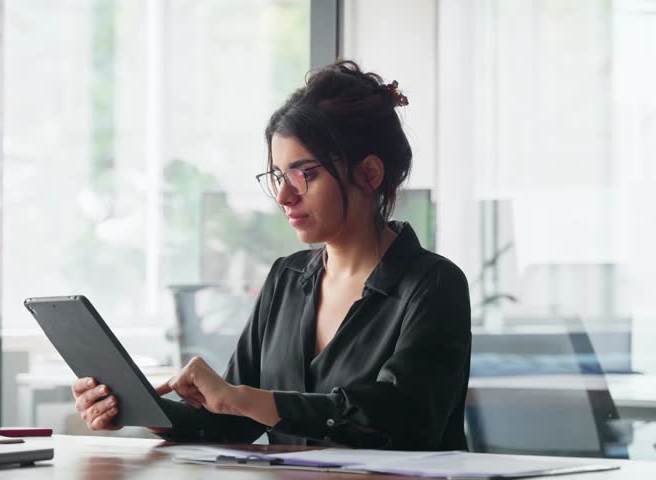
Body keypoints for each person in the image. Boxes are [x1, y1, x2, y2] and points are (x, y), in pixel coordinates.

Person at [72, 60, 471, 450]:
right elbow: (232, 421)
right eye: (279, 176)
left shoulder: (433, 285)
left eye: (304, 175)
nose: (283, 196)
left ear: (368, 174)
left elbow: (405, 421)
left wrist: (246, 399)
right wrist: (140, 407)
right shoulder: (287, 278)